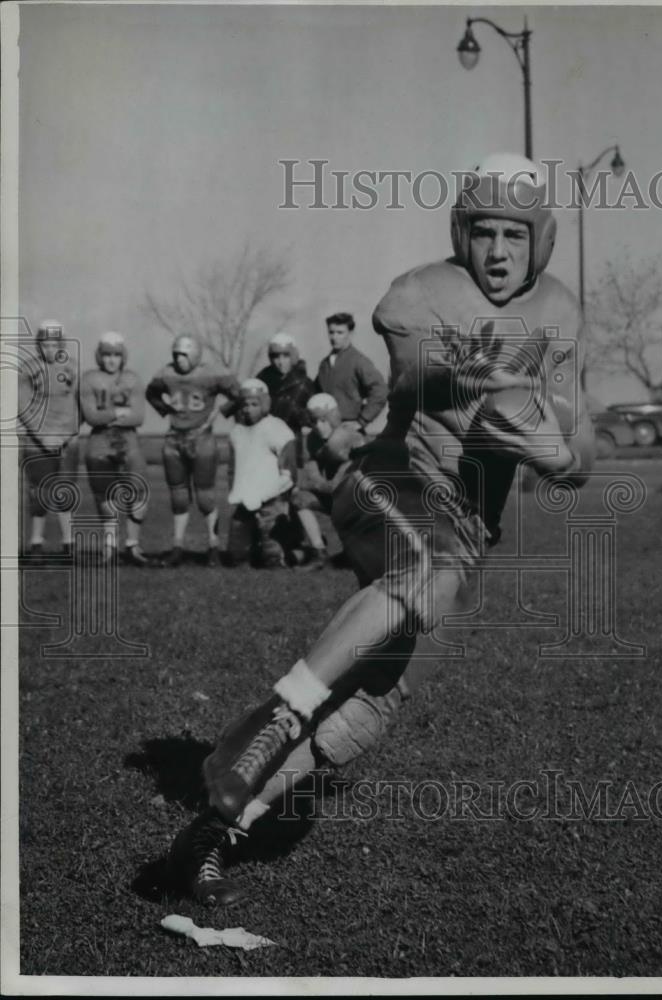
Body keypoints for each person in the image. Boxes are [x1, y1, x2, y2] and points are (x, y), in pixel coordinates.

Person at [167, 153, 596, 906]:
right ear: (463, 233)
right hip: (391, 483)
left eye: (514, 236)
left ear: (542, 241)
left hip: (466, 535)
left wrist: (561, 451)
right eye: (485, 232)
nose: (497, 251)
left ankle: (217, 829)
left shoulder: (558, 311)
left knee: (372, 710)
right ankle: (280, 712)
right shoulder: (423, 294)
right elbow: (419, 376)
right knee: (427, 575)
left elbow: (582, 443)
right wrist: (494, 397)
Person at [145, 334, 239, 567]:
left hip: (202, 437)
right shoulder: (167, 373)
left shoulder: (210, 373)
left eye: (184, 355)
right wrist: (165, 409)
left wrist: (221, 412)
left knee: (206, 497)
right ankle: (178, 546)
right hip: (174, 438)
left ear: (195, 355)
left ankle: (214, 546)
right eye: (176, 355)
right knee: (178, 497)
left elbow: (238, 393)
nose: (180, 360)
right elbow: (151, 392)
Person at [79, 331, 151, 566]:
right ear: (100, 356)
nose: (111, 360)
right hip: (99, 442)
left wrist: (106, 416)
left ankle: (132, 545)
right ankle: (109, 547)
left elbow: (138, 417)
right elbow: (91, 417)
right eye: (107, 355)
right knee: (105, 496)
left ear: (123, 357)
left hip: (129, 440)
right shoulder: (89, 378)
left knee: (138, 492)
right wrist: (117, 413)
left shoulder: (132, 378)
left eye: (116, 355)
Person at [253, 332, 325, 565]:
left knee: (293, 495)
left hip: (292, 447)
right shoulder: (263, 380)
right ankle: (274, 547)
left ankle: (302, 545)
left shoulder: (304, 383)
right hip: (265, 447)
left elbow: (312, 418)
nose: (280, 361)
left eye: (285, 356)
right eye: (275, 356)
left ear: (293, 356)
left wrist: (301, 418)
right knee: (269, 497)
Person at [18, 320, 81, 557]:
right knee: (39, 493)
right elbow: (23, 406)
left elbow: (78, 406)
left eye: (55, 344)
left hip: (66, 441)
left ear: (61, 345)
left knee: (66, 492)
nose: (50, 349)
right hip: (37, 441)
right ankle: (36, 543)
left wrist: (66, 434)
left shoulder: (72, 368)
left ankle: (69, 543)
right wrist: (44, 436)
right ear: (38, 345)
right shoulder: (27, 369)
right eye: (45, 344)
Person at [225, 379, 301, 568]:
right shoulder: (236, 432)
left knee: (272, 556)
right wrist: (238, 494)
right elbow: (233, 470)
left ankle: (296, 552)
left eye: (254, 404)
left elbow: (289, 475)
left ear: (265, 404)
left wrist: (264, 496)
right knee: (236, 556)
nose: (248, 409)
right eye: (244, 405)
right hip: (245, 502)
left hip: (272, 500)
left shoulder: (277, 428)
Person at [290, 393, 365, 570]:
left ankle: (356, 553)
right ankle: (319, 553)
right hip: (334, 494)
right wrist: (320, 485)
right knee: (299, 498)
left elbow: (347, 477)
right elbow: (311, 475)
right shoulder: (312, 440)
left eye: (323, 420)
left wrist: (321, 484)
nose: (319, 426)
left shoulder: (350, 436)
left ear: (333, 416)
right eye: (314, 422)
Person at [314, 313, 387, 433]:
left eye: (340, 332)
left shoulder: (358, 361)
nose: (334, 337)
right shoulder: (324, 364)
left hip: (348, 428)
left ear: (350, 333)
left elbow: (381, 391)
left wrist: (362, 421)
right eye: (331, 332)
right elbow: (317, 393)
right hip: (326, 429)